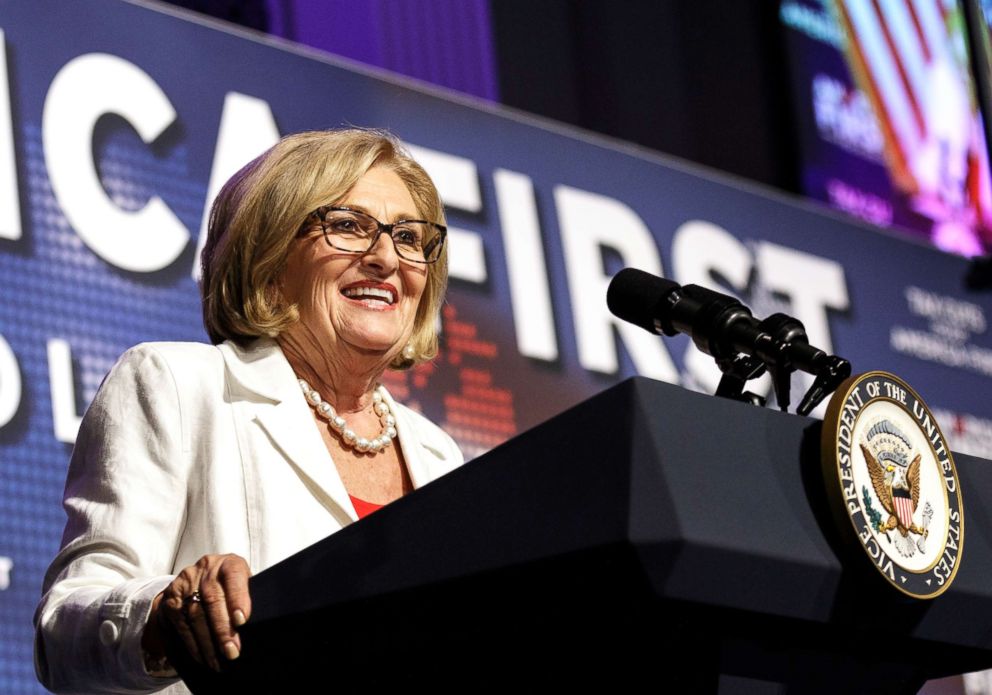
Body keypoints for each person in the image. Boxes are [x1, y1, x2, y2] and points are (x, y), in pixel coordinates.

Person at [34, 128, 464, 693]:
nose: (386, 257)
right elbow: (62, 632)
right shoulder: (178, 385)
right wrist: (163, 615)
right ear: (270, 253)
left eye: (409, 236)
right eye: (348, 226)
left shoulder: (438, 456)